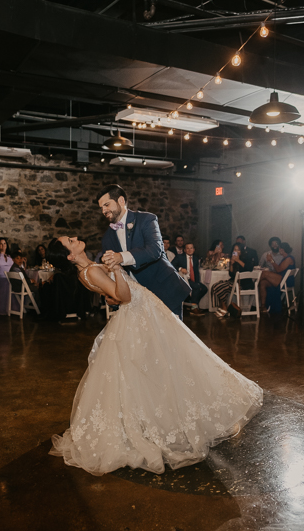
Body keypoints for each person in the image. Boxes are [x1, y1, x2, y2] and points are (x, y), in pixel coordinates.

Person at [48, 235, 263, 476]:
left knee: (160, 367)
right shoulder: (89, 272)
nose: (75, 238)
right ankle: (162, 424)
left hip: (145, 312)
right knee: (160, 368)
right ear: (69, 255)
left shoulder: (89, 269)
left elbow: (111, 296)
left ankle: (165, 419)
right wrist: (117, 270)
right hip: (137, 318)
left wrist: (111, 282)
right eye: (70, 240)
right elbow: (124, 297)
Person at [98, 184, 190, 318]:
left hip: (164, 289)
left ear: (121, 201)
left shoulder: (146, 219)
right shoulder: (107, 238)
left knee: (171, 337)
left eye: (106, 205)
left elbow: (155, 250)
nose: (103, 211)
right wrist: (112, 296)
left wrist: (121, 257)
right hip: (135, 299)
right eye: (101, 208)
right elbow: (113, 272)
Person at [211, 243, 253, 318]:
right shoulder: (232, 258)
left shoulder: (247, 258)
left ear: (241, 251)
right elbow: (231, 274)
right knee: (215, 286)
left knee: (221, 287)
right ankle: (223, 306)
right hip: (234, 281)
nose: (236, 251)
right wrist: (232, 264)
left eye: (238, 250)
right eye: (235, 249)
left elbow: (249, 268)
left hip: (243, 284)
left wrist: (238, 260)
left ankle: (224, 308)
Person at [258, 242, 296, 313]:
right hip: (282, 279)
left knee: (264, 273)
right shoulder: (286, 258)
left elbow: (278, 269)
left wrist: (271, 260)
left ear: (282, 250)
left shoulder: (288, 259)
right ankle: (263, 306)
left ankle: (253, 285)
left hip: (285, 281)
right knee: (263, 283)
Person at [171, 243, 207, 316]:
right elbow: (171, 265)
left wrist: (197, 282)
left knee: (204, 289)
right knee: (196, 287)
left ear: (194, 249)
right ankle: (194, 308)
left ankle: (192, 303)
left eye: (191, 248)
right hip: (183, 279)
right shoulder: (180, 257)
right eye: (188, 248)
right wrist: (180, 268)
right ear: (184, 250)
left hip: (192, 280)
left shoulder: (196, 259)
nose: (190, 250)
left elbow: (196, 272)